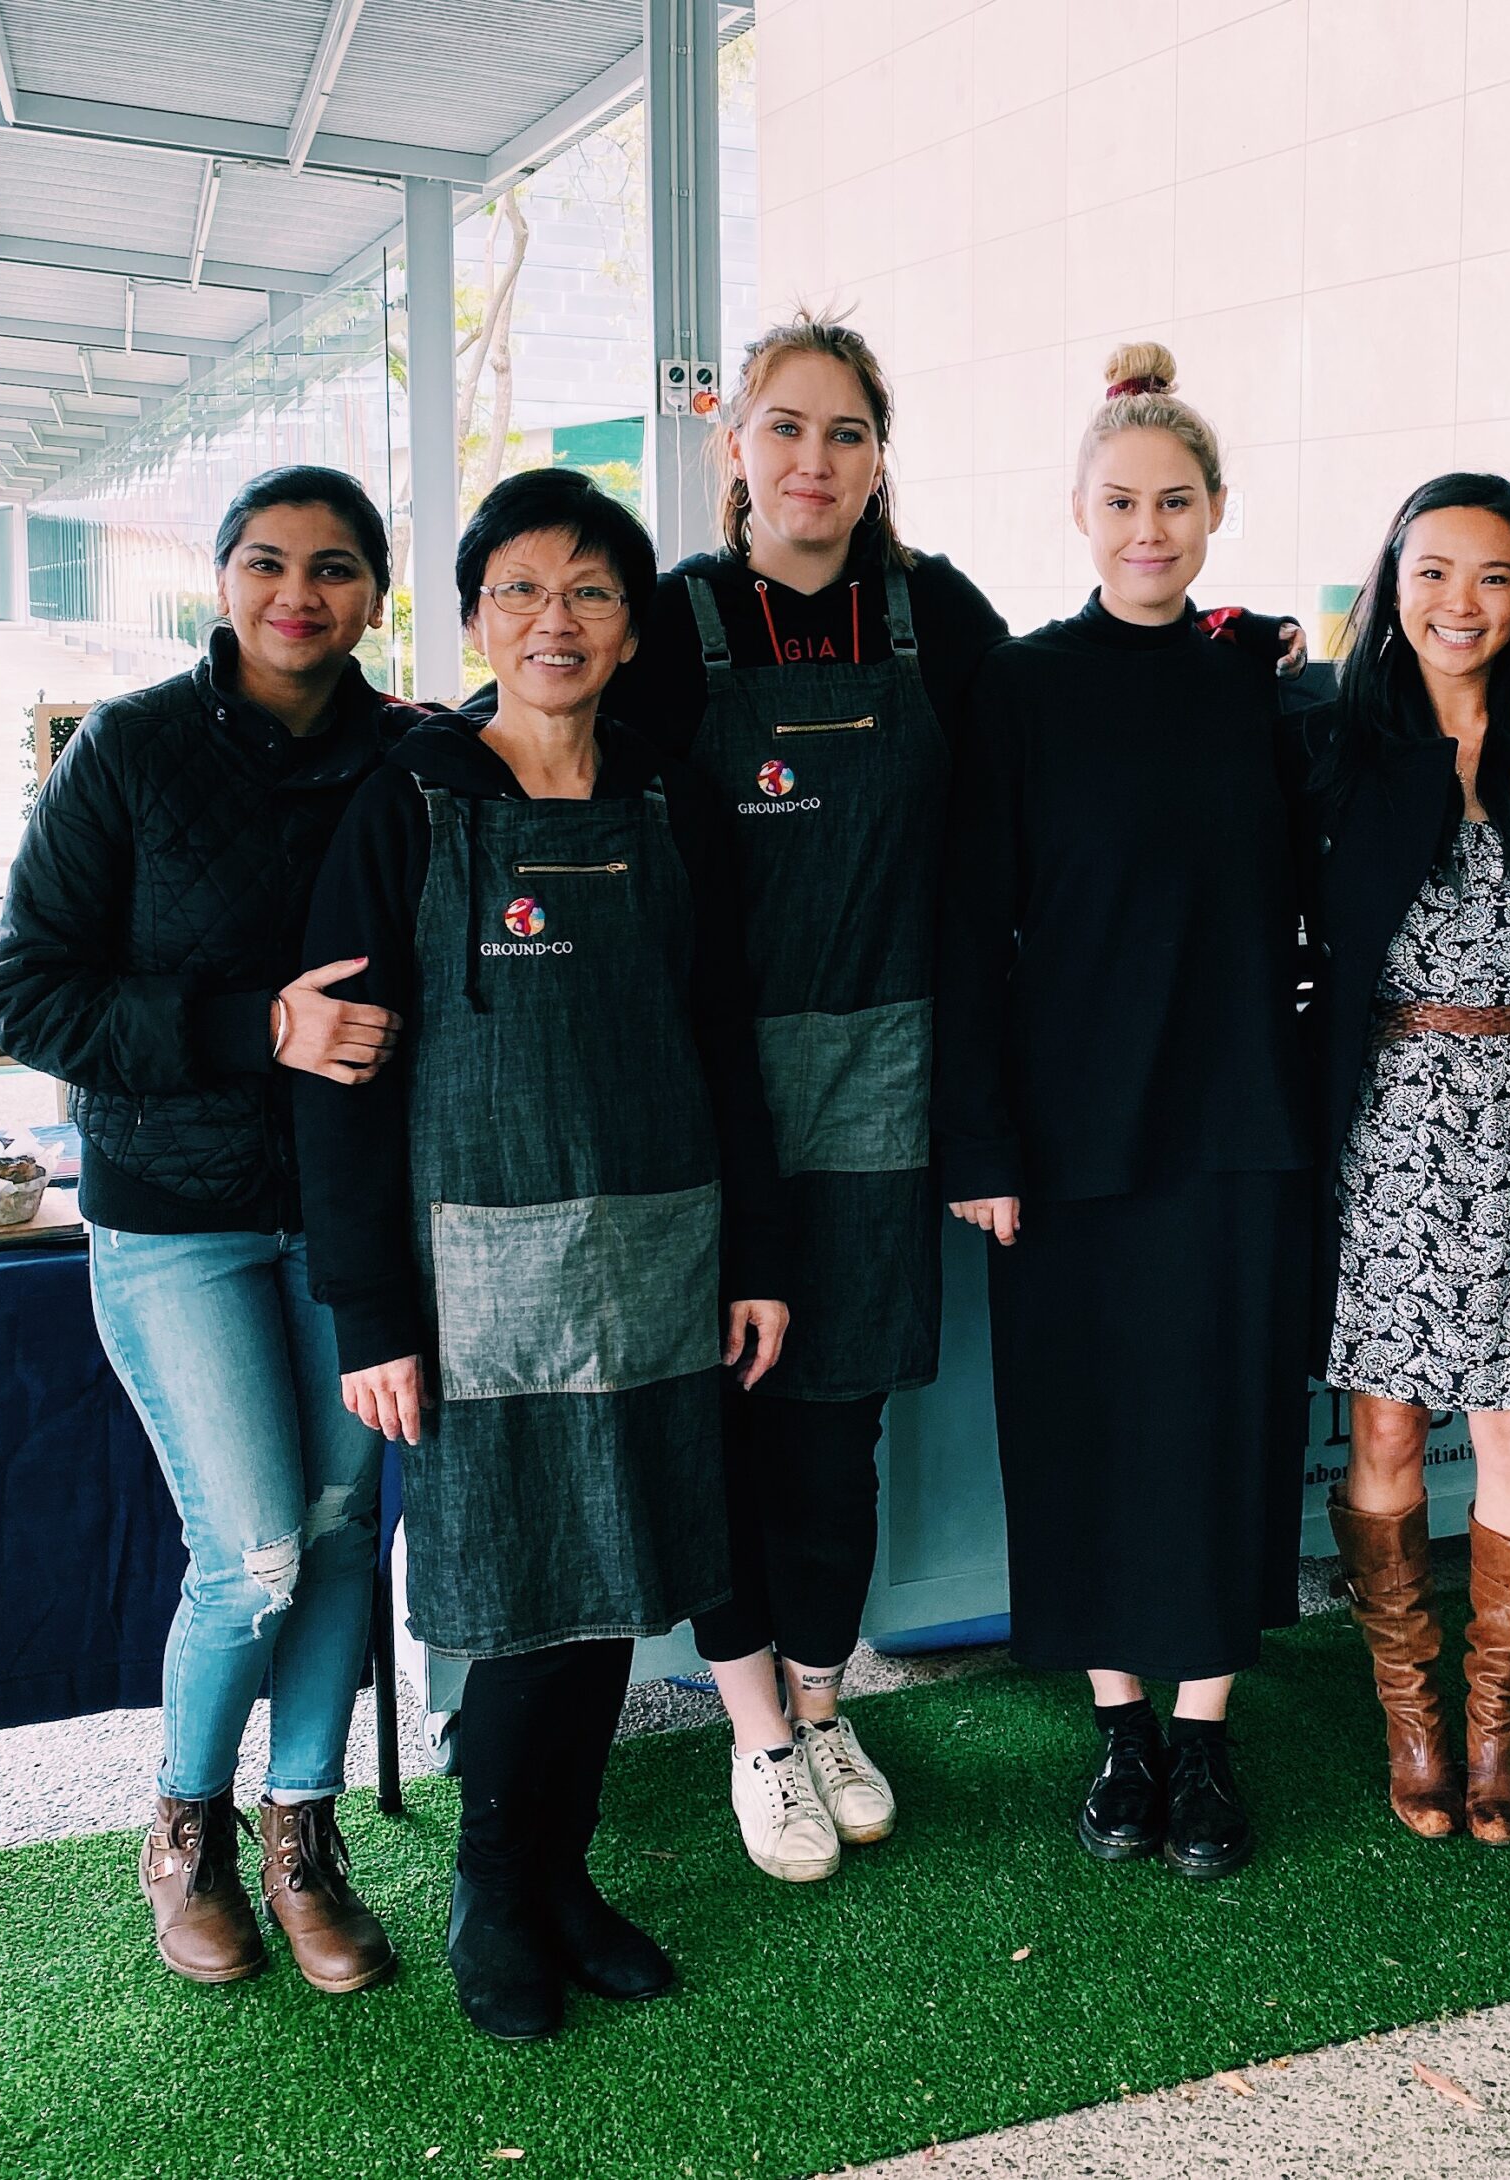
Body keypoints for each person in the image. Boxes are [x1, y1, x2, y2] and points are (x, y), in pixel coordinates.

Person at [607, 310, 1303, 1883]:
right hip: (705, 1086)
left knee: (835, 1422)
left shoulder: (941, 618)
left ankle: (828, 1700)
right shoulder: (671, 625)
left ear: (879, 459)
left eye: (846, 434)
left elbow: (1100, 726)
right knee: (727, 1422)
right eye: (786, 429)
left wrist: (1250, 650)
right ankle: (758, 1737)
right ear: (735, 450)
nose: (815, 461)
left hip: (881, 1084)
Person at [294, 468, 790, 2039]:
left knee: (613, 1577)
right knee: (520, 1590)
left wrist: (755, 1257)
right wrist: (370, 1311)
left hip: (656, 1247)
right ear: (474, 617)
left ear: (632, 627)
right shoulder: (414, 798)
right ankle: (493, 1893)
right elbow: (343, 1075)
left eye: (586, 592)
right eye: (518, 590)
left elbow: (725, 1042)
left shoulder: (669, 799)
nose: (552, 621)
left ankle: (566, 1877)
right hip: (472, 1277)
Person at [0, 466, 409, 1994]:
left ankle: (306, 1835)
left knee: (352, 1530)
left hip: (354, 1223)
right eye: (270, 562)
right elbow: (27, 992)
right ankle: (188, 1829)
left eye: (338, 568)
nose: (303, 592)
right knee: (256, 1550)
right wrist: (254, 1029)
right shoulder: (131, 748)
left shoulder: (410, 752)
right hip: (175, 1222)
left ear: (376, 593)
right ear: (222, 580)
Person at [936, 342, 1315, 1881]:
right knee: (1082, 1427)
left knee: (1225, 1425)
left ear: (1217, 510)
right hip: (1068, 1134)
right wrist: (982, 1143)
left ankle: (1209, 1736)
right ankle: (1119, 1733)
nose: (1148, 528)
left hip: (1238, 1124)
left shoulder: (1264, 685)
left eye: (1176, 501)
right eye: (1121, 503)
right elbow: (965, 926)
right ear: (1078, 513)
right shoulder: (1020, 687)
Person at [1302, 473, 1510, 1846]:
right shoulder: (1333, 742)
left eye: (1493, 576)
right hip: (1388, 1113)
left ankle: (1497, 1733)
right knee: (1383, 1425)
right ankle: (1411, 1718)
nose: (1462, 603)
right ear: (1392, 584)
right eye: (1433, 572)